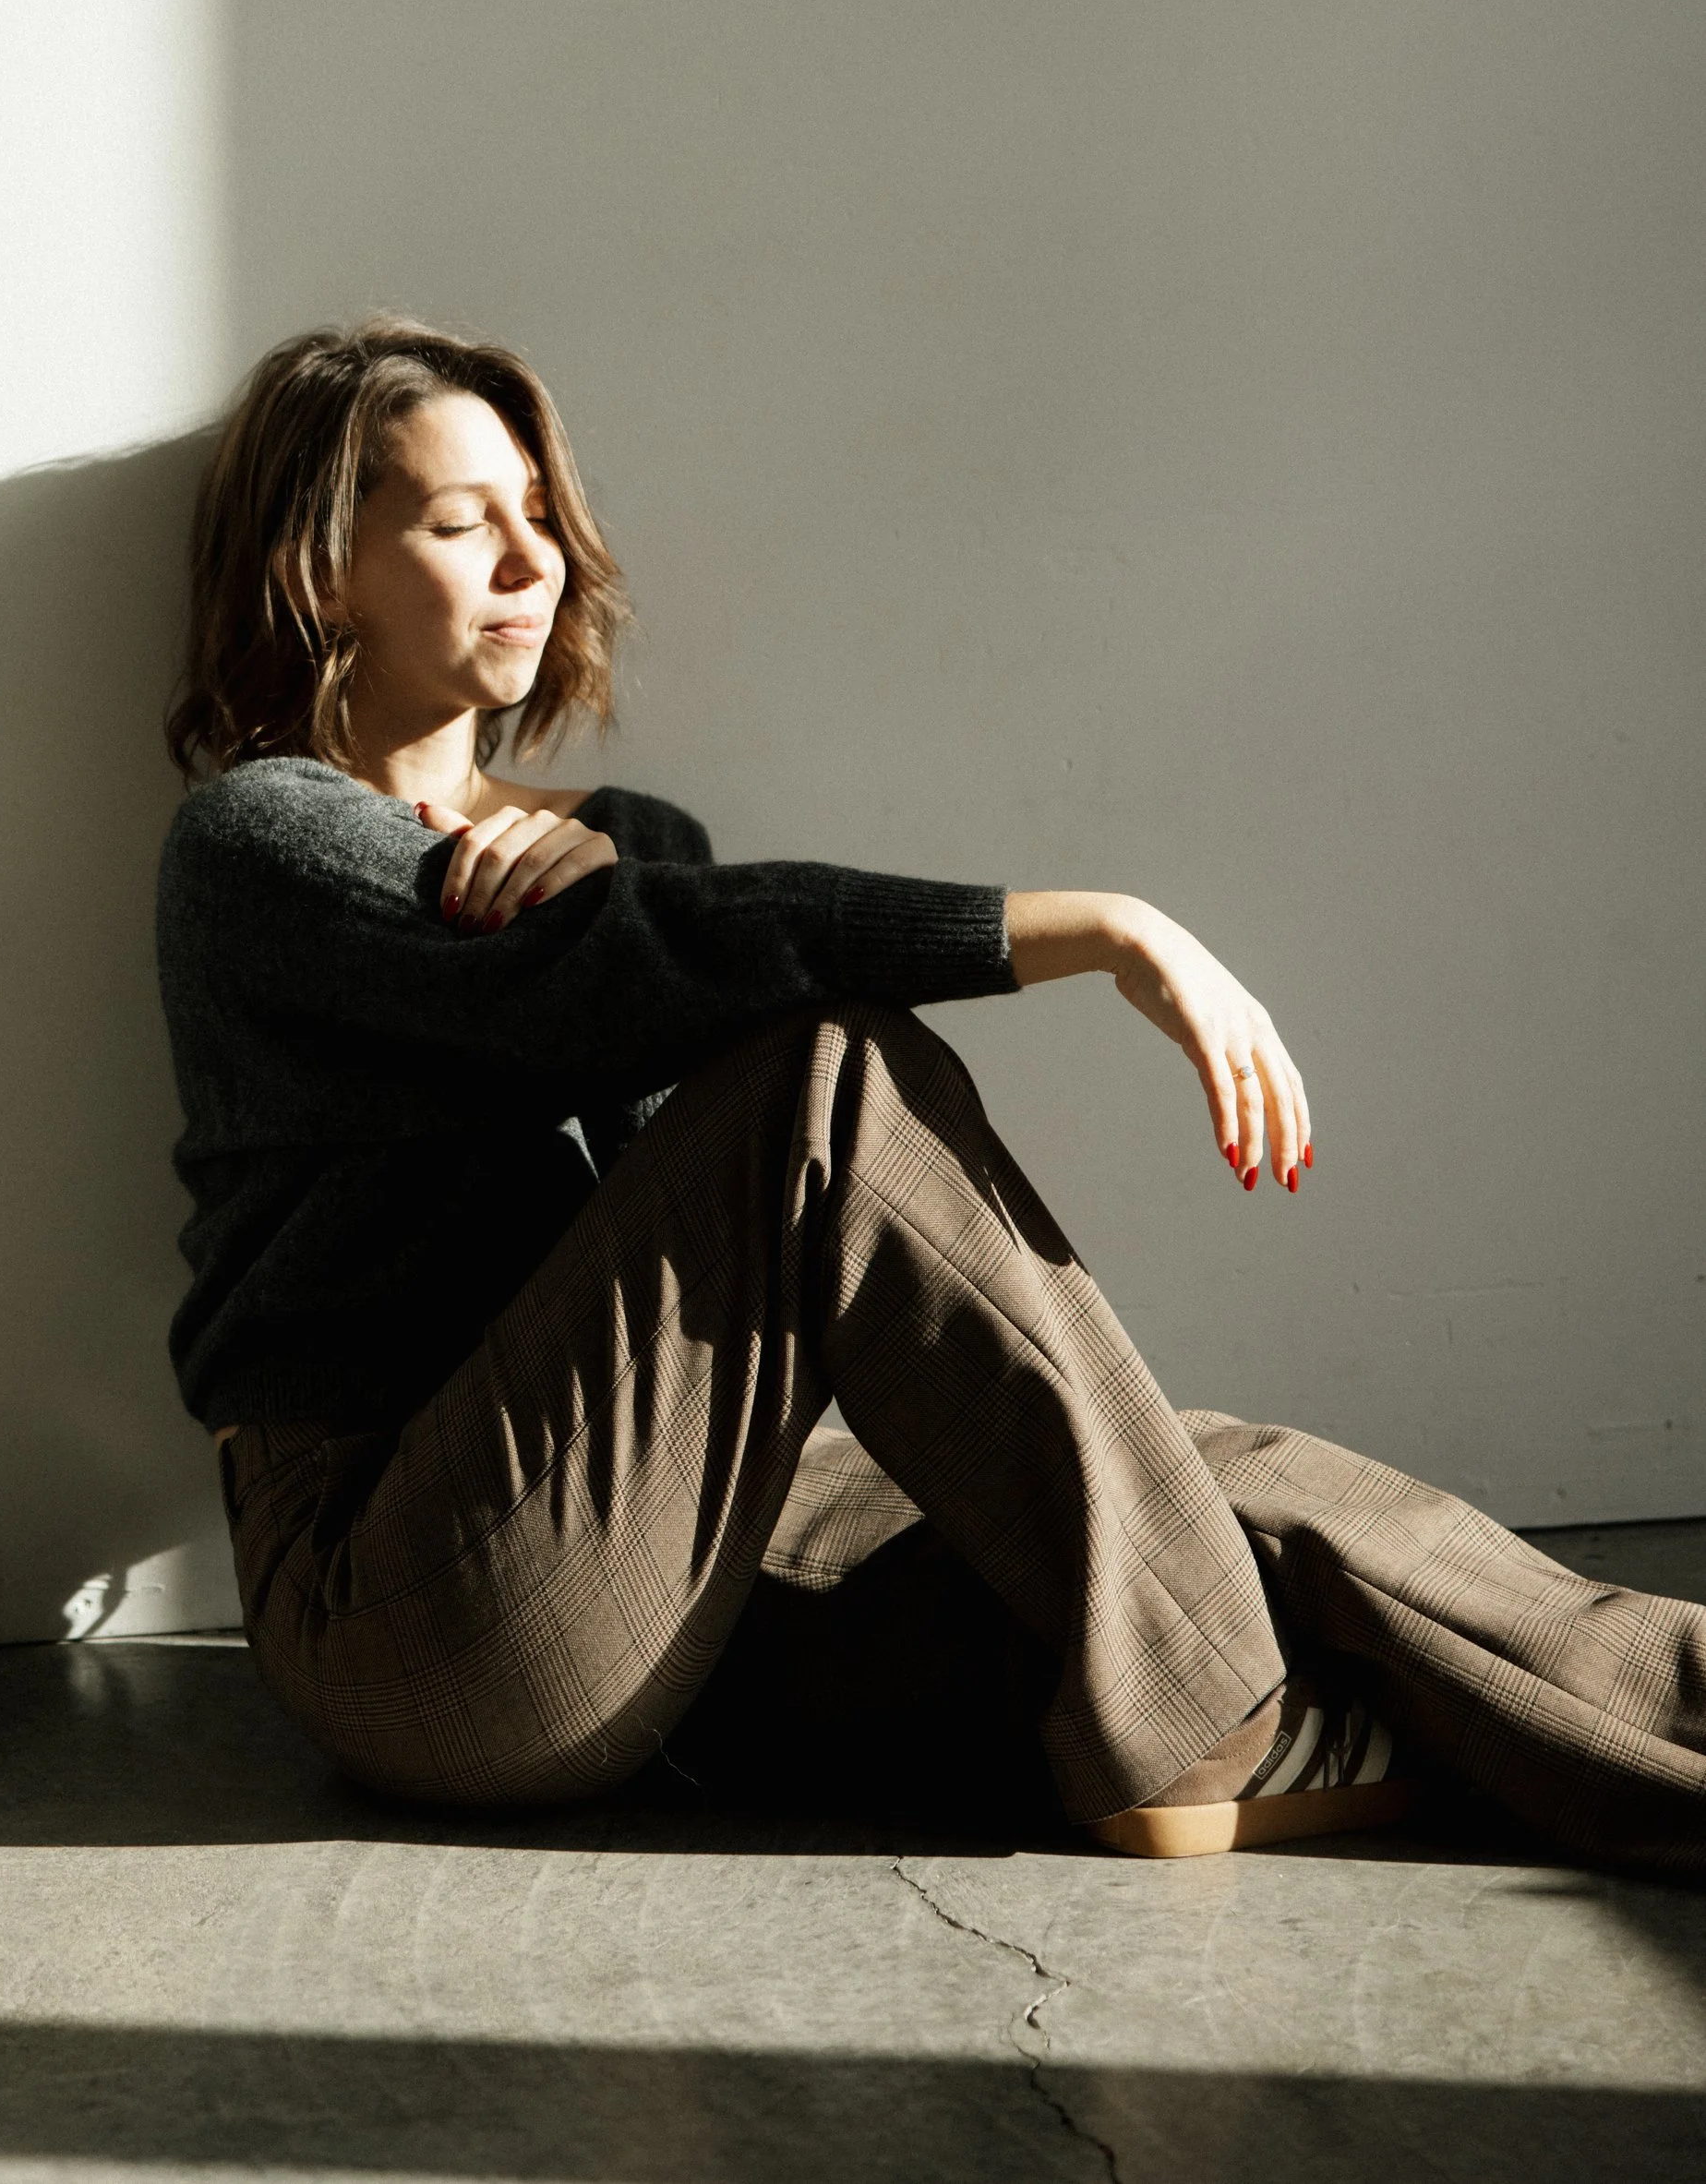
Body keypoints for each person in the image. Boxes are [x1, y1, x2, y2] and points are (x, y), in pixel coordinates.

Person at [156, 317, 1706, 1870]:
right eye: (454, 521)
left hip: (699, 1545)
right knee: (828, 1077)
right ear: (321, 572)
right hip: (406, 1600)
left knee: (1229, 1488)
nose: (530, 561)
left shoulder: (630, 848)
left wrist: (612, 892)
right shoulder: (259, 848)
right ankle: (1200, 1723)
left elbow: (660, 1132)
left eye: (540, 515)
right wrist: (1092, 928)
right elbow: (596, 992)